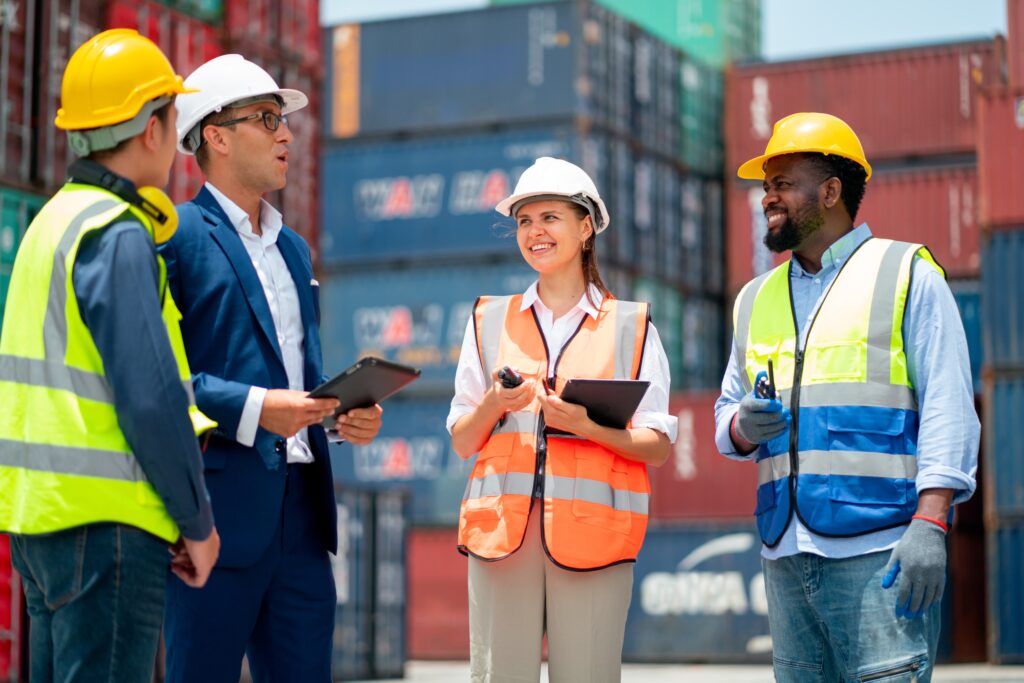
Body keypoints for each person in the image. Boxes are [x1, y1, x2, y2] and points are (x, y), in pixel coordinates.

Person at [715, 112, 979, 682]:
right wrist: (740, 427)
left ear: (831, 191)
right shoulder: (753, 299)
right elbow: (725, 410)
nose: (768, 198)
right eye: (765, 187)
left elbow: (949, 406)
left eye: (782, 184)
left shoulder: (907, 273)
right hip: (784, 556)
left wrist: (932, 523)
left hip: (880, 555)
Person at [0, 29, 220, 682]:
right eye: (173, 117)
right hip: (109, 533)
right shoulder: (116, 234)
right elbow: (150, 396)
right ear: (152, 127)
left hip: (39, 524)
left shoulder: (49, 224)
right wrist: (196, 520)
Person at [158, 54, 384, 683]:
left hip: (304, 527)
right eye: (266, 119)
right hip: (217, 519)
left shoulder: (294, 247)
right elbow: (160, 382)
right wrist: (260, 409)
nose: (287, 135)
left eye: (283, 120)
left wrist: (337, 418)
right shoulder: (174, 236)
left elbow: (297, 380)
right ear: (216, 135)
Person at [448, 157, 677, 683]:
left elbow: (659, 444)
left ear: (586, 226)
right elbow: (463, 440)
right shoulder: (487, 320)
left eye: (550, 217)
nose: (534, 232)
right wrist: (493, 406)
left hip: (594, 537)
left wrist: (587, 426)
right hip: (503, 538)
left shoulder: (631, 327)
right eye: (525, 221)